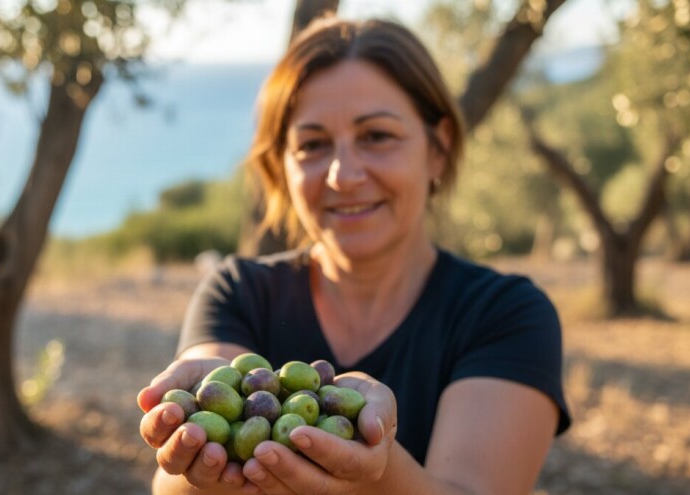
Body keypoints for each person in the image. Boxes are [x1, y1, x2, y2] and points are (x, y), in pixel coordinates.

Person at [138, 16, 570, 495]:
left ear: (438, 147)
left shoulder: (506, 315)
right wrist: (197, 448)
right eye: (312, 144)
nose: (343, 176)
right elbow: (172, 482)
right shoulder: (238, 290)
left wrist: (374, 466)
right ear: (281, 165)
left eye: (377, 135)